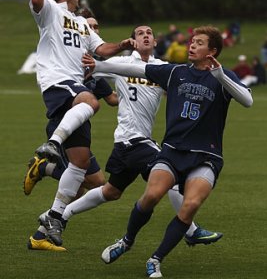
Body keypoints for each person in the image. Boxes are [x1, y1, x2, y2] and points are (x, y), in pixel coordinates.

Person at [83, 25, 253, 278]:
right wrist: (99, 66)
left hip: (206, 157)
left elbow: (247, 100)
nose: (191, 45)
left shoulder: (222, 77)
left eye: (199, 42)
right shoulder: (175, 72)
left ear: (212, 51)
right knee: (151, 196)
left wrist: (220, 76)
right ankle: (127, 241)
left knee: (190, 204)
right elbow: (136, 68)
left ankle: (156, 259)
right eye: (192, 41)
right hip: (173, 152)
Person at [44, 25, 222, 249]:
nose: (146, 35)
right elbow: (92, 67)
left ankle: (59, 215)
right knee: (173, 176)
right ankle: (191, 230)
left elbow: (187, 85)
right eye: (140, 33)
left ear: (155, 42)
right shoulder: (124, 64)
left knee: (112, 191)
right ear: (133, 42)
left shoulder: (164, 68)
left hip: (132, 143)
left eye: (150, 33)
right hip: (132, 139)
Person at [29, 0, 136, 248]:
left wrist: (125, 43)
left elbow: (102, 50)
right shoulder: (51, 12)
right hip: (59, 83)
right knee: (92, 101)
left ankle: (48, 225)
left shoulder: (83, 25)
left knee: (79, 165)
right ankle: (52, 144)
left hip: (74, 89)